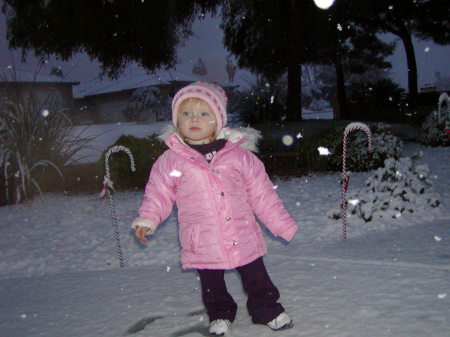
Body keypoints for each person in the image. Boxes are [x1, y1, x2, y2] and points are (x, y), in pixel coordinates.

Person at [132, 81, 298, 336]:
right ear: (177, 121)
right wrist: (148, 218)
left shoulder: (240, 157)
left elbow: (262, 193)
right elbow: (158, 193)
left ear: (218, 120)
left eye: (204, 113)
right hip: (202, 236)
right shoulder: (171, 161)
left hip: (241, 231)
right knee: (211, 283)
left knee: (256, 276)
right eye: (186, 114)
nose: (194, 119)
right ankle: (220, 314)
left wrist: (281, 223)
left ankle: (267, 309)